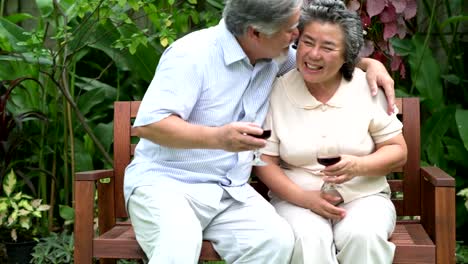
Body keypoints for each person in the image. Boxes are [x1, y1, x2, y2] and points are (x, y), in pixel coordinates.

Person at [123, 0, 398, 263]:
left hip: (230, 192)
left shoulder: (273, 55)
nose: (297, 35)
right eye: (291, 29)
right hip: (169, 185)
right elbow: (149, 125)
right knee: (179, 245)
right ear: (256, 32)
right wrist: (217, 138)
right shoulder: (191, 54)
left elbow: (324, 58)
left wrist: (371, 64)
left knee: (275, 242)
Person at [253, 1, 408, 263]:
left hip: (364, 196)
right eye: (307, 42)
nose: (313, 54)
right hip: (296, 199)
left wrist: (359, 165)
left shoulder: (366, 87)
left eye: (327, 47)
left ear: (348, 54)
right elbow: (264, 161)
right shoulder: (277, 90)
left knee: (364, 235)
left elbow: (398, 151)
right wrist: (304, 198)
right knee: (307, 239)